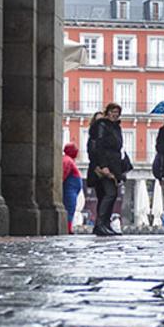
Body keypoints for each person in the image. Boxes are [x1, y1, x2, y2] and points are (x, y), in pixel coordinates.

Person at [84, 102, 128, 237]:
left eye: (117, 112)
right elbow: (99, 147)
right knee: (111, 194)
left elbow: (118, 147)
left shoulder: (116, 128)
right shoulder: (102, 126)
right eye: (113, 111)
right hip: (105, 166)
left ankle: (104, 225)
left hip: (114, 165)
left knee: (105, 195)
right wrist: (103, 166)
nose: (115, 114)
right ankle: (100, 224)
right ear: (107, 112)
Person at [61, 143, 84, 233]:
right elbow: (64, 173)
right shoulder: (67, 160)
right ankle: (68, 228)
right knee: (70, 208)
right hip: (70, 189)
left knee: (71, 208)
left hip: (72, 188)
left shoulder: (68, 160)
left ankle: (68, 228)